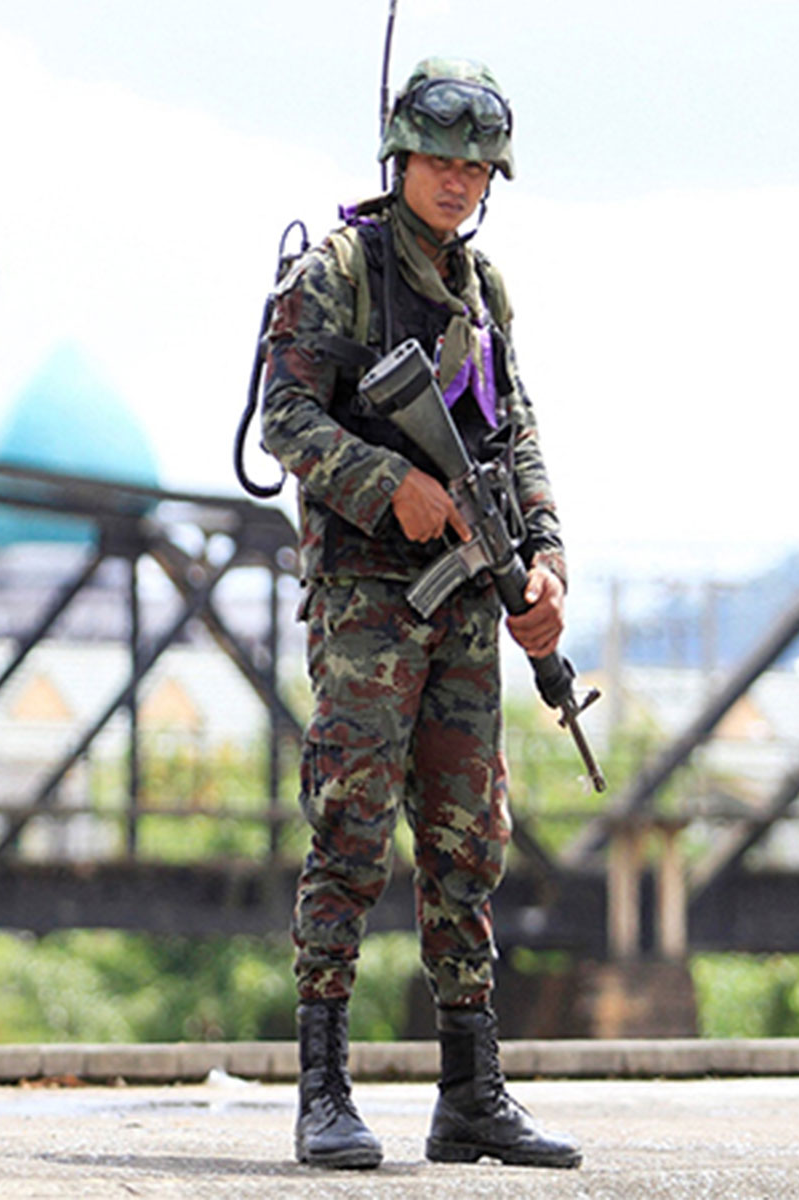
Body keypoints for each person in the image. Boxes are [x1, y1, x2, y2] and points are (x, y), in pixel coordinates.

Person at [260, 57, 580, 1170]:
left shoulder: (482, 290)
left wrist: (541, 560)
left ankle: (469, 1088)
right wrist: (382, 483)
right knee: (349, 821)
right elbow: (284, 416)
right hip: (364, 591)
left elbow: (517, 431)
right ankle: (322, 1083)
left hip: (460, 596)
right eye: (440, 159)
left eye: (475, 165)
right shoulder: (337, 272)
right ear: (399, 157)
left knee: (465, 831)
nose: (457, 180)